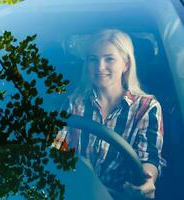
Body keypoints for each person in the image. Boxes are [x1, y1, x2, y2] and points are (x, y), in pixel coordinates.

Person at [52, 29, 165, 199]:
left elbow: (149, 157)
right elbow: (56, 149)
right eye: (93, 59)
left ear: (126, 64)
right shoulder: (74, 102)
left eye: (109, 59)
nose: (100, 67)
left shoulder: (146, 107)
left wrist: (146, 182)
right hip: (74, 192)